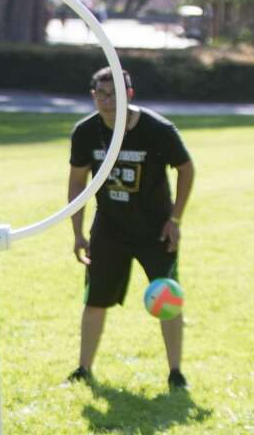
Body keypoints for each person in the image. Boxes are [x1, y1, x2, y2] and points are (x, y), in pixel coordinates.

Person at [66, 67, 196, 390]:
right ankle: (83, 369)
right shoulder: (85, 132)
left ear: (130, 95)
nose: (109, 101)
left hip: (156, 228)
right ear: (93, 95)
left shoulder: (157, 129)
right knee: (95, 299)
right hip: (110, 228)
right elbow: (77, 184)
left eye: (116, 94)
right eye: (102, 94)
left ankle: (176, 373)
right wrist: (78, 233)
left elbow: (186, 168)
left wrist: (175, 219)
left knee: (168, 297)